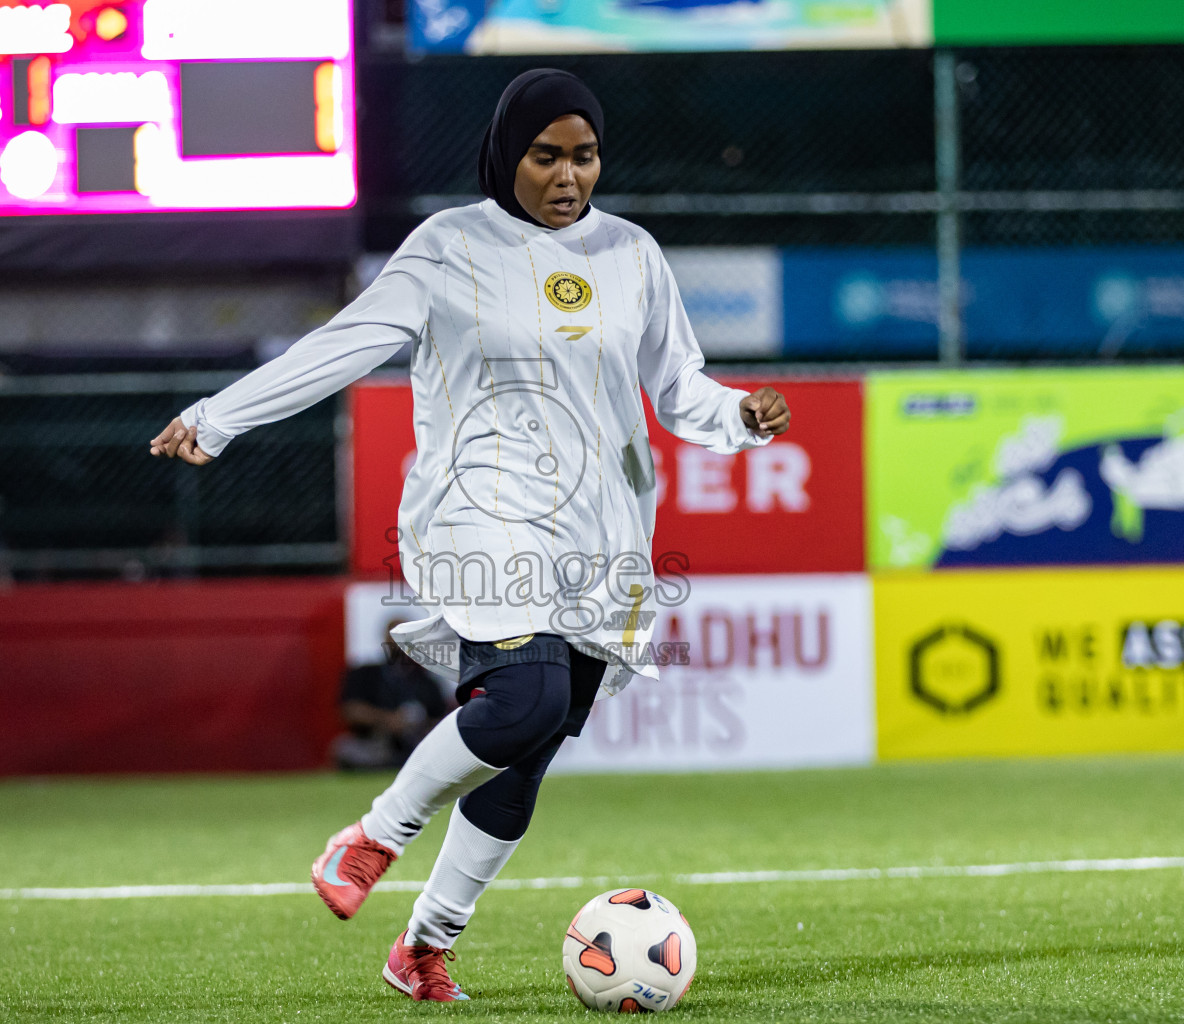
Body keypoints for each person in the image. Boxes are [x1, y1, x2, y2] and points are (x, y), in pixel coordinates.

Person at [151, 68, 790, 1001]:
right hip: (479, 513)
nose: (569, 175)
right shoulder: (449, 247)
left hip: (602, 534)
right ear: (506, 154)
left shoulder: (632, 253)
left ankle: (423, 947)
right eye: (546, 156)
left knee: (530, 743)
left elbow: (678, 386)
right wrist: (220, 417)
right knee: (525, 704)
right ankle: (372, 836)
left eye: (585, 155)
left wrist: (741, 415)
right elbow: (346, 342)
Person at [334, 621, 452, 770]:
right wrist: (388, 719)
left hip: (416, 745)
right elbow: (351, 710)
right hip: (374, 743)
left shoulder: (428, 680)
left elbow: (442, 719)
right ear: (385, 638)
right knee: (344, 748)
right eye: (394, 636)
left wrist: (417, 723)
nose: (399, 643)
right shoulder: (366, 673)